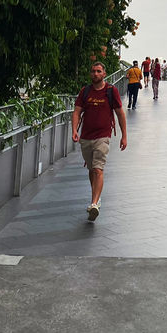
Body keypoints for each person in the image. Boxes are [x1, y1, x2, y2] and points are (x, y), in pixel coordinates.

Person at [72, 62, 127, 222]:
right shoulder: (85, 91)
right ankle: (96, 198)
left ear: (104, 74)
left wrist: (124, 136)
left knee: (98, 169)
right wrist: (74, 130)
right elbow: (76, 112)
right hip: (86, 137)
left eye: (98, 71)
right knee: (91, 169)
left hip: (103, 136)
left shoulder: (111, 91)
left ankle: (94, 203)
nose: (95, 74)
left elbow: (120, 113)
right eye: (93, 71)